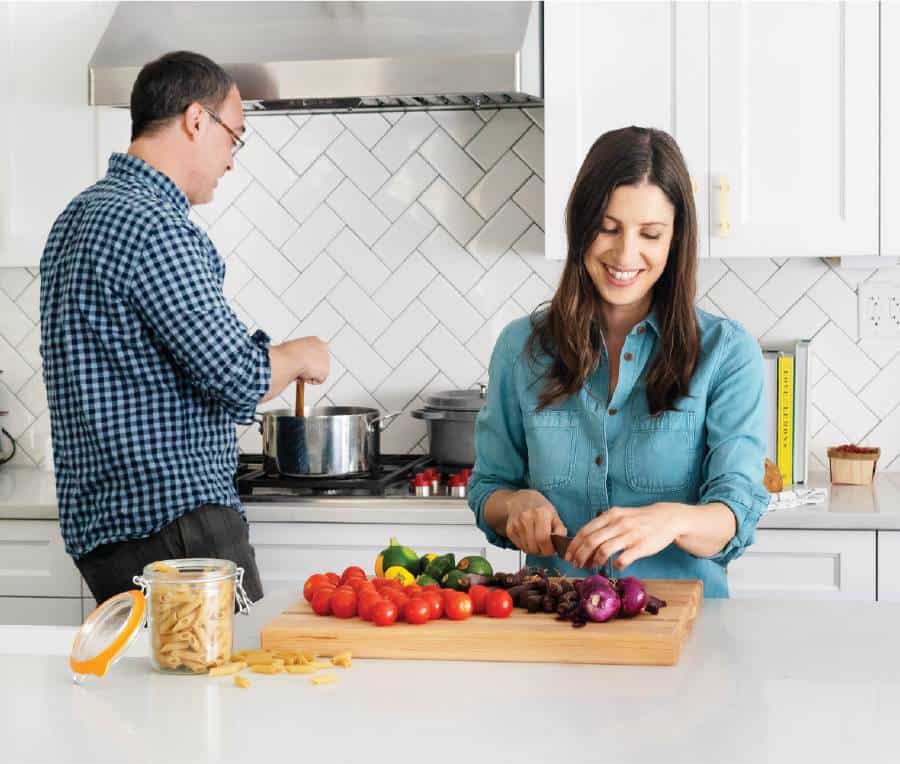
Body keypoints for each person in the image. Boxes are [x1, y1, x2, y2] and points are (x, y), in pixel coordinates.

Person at [40, 51, 330, 605]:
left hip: (103, 533)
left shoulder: (75, 218)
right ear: (197, 120)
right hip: (175, 526)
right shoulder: (157, 227)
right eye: (234, 137)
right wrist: (299, 354)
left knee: (155, 692)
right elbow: (239, 378)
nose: (231, 161)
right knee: (228, 687)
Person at [468, 126, 769, 598]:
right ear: (580, 225)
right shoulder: (520, 347)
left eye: (650, 233)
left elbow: (734, 513)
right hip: (555, 622)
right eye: (608, 228)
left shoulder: (726, 353)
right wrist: (517, 505)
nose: (626, 254)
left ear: (675, 239)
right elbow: (489, 489)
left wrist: (672, 520)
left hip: (682, 625)